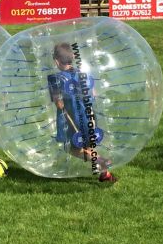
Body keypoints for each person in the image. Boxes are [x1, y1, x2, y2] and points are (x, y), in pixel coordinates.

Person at [47, 43, 117, 183]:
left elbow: (58, 102)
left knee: (73, 149)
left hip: (72, 118)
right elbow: (94, 94)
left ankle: (101, 161)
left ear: (56, 61)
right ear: (72, 57)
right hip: (89, 116)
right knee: (89, 146)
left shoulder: (55, 79)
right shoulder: (84, 74)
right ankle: (105, 174)